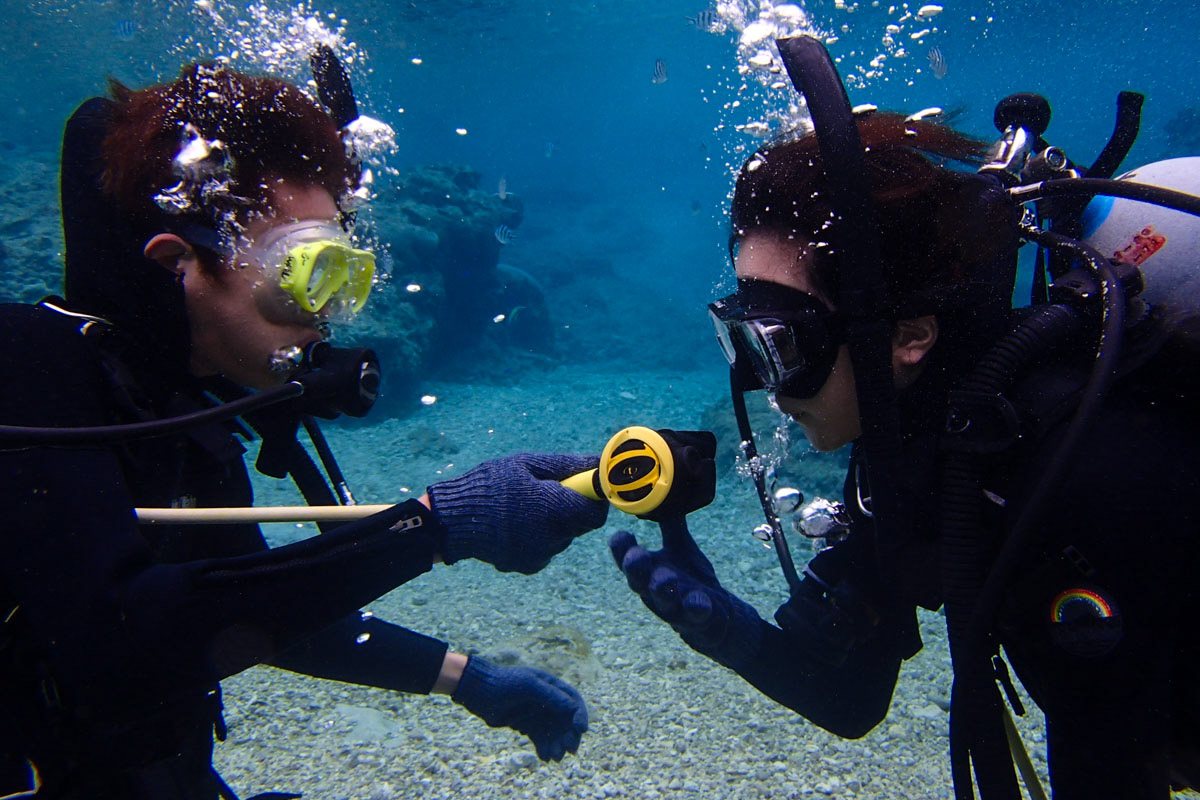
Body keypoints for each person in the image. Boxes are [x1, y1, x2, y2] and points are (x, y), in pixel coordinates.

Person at [0, 61, 608, 800]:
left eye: (346, 276)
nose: (323, 316)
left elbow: (243, 611)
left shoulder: (184, 414)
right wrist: (432, 529)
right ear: (176, 266)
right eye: (301, 273)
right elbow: (121, 639)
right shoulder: (30, 373)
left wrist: (466, 677)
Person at [609, 42, 1200, 800]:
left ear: (910, 335)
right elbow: (850, 698)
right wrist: (726, 629)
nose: (761, 385)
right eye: (744, 338)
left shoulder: (1085, 470)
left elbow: (1114, 760)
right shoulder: (914, 447)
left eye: (781, 343)